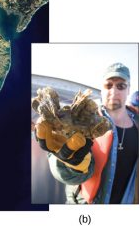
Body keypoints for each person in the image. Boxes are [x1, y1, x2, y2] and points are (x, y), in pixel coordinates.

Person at [35, 62, 139, 204]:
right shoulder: (81, 116)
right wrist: (70, 164)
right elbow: (59, 169)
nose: (114, 92)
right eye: (108, 85)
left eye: (121, 86)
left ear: (128, 90)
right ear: (101, 89)